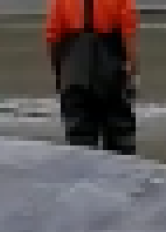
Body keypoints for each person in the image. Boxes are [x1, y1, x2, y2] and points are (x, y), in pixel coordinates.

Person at [44, 0, 140, 154]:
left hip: (74, 72)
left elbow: (52, 35)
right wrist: (131, 66)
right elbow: (128, 30)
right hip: (111, 70)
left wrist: (59, 71)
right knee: (120, 138)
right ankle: (119, 175)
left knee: (79, 140)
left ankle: (83, 174)